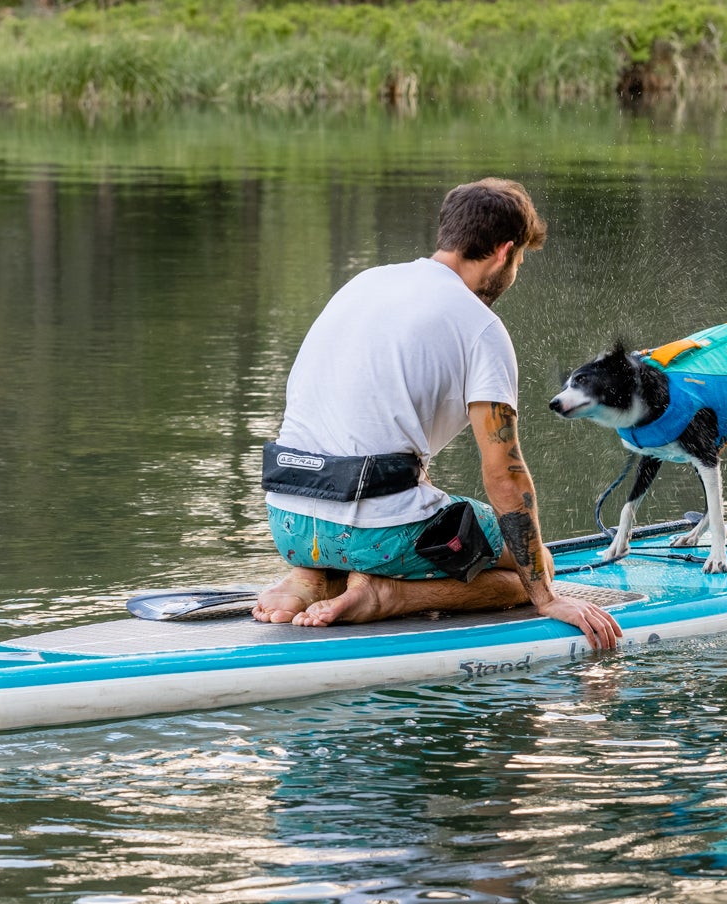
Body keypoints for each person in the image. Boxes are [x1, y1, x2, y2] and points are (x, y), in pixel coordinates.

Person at [252, 178, 621, 650]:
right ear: (504, 251)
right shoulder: (480, 327)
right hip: (375, 534)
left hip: (289, 523)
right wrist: (545, 597)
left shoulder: (364, 283)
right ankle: (384, 595)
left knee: (373, 498)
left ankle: (311, 579)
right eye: (521, 259)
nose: (516, 271)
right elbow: (505, 476)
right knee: (532, 571)